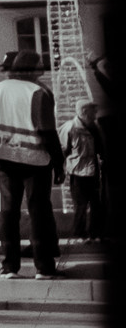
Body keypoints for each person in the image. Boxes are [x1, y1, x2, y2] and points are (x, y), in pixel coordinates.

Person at [0, 49, 65, 278]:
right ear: (33, 70)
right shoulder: (38, 91)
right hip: (35, 160)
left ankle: (9, 266)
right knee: (39, 212)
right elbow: (47, 131)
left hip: (2, 158)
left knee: (8, 213)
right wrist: (58, 162)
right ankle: (43, 267)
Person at [59, 102, 105, 241]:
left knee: (96, 203)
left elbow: (100, 148)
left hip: (93, 171)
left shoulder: (94, 127)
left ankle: (95, 234)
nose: (95, 115)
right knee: (80, 205)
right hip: (78, 172)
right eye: (93, 111)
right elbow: (62, 151)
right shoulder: (70, 128)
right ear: (84, 111)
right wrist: (60, 170)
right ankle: (79, 234)